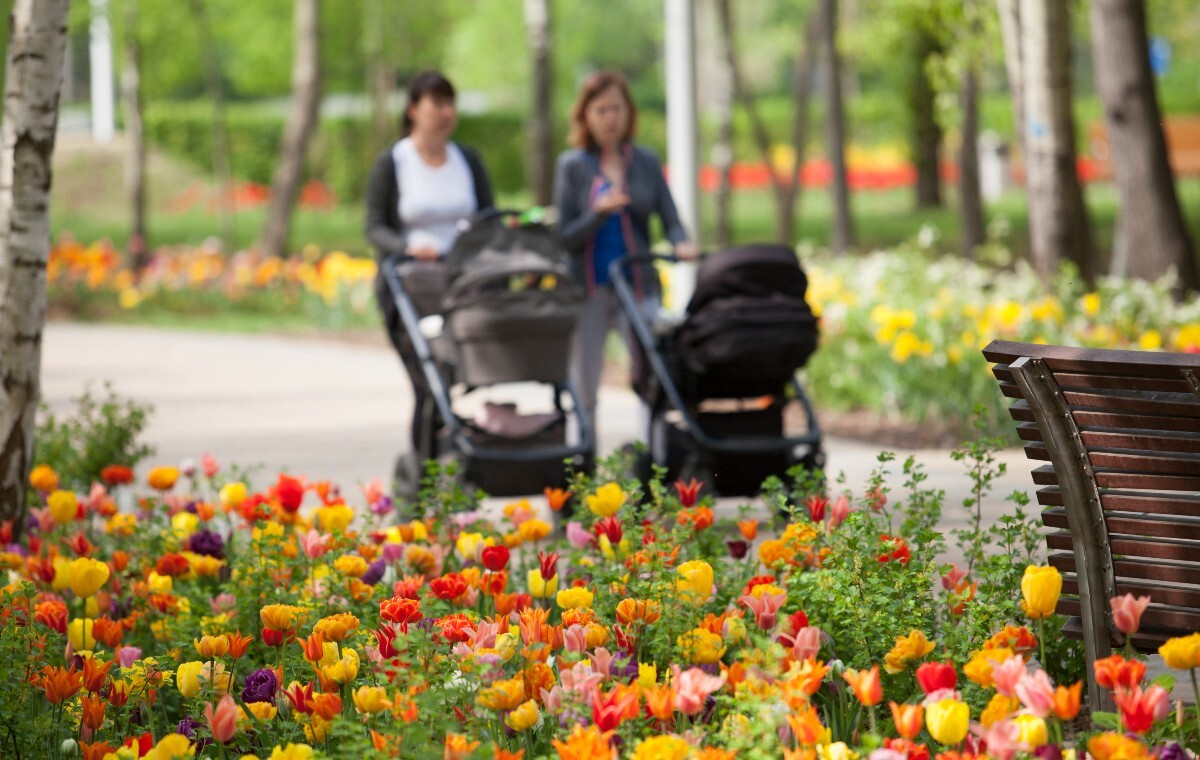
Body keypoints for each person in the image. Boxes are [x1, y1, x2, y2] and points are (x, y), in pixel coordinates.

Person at [553, 70, 698, 431]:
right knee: (584, 383)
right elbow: (562, 237)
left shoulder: (645, 162)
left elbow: (669, 215)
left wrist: (680, 242)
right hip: (588, 288)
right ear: (586, 115)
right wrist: (596, 214)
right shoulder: (571, 166)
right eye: (600, 110)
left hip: (637, 285)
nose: (610, 118)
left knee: (652, 372)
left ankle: (653, 461)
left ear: (628, 113)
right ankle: (581, 464)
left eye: (616, 108)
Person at [365, 70, 494, 451]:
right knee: (428, 378)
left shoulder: (467, 159)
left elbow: (490, 218)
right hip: (410, 288)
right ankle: (425, 471)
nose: (446, 112)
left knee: (452, 370)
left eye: (450, 103)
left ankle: (451, 455)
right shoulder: (394, 161)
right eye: (437, 103)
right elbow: (374, 226)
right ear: (413, 109)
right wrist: (407, 248)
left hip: (462, 285)